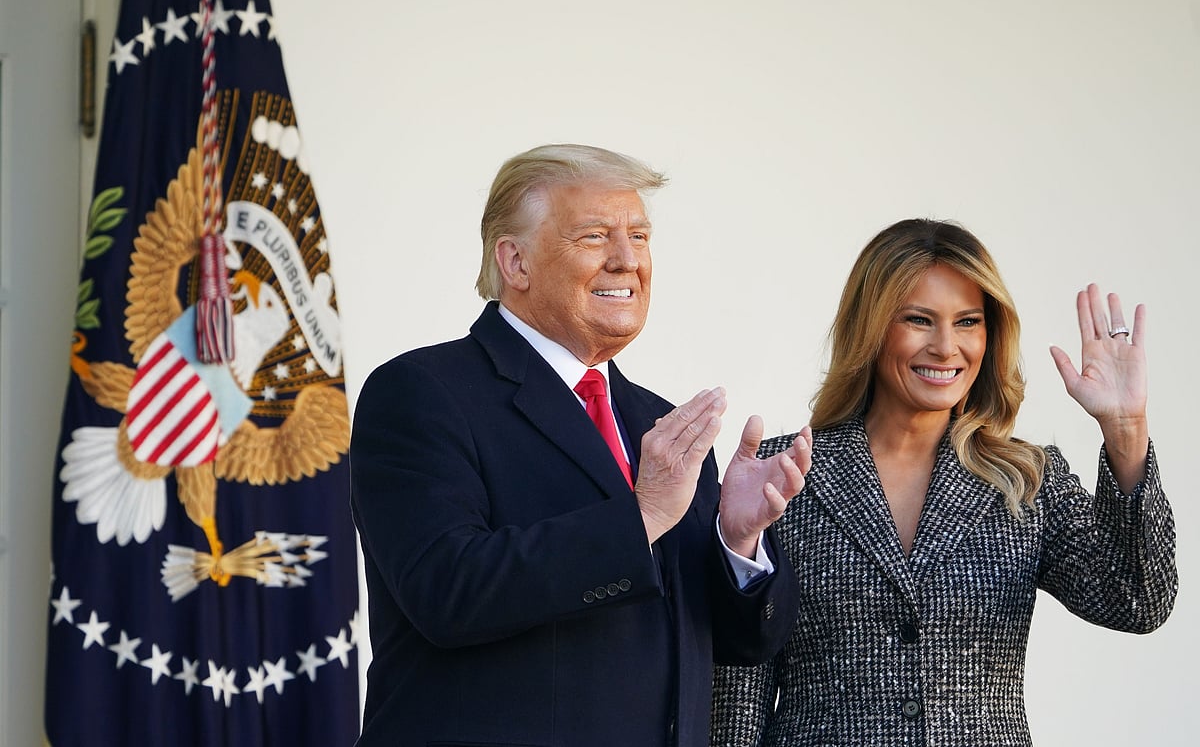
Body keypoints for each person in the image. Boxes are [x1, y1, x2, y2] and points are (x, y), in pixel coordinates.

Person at [350, 143, 813, 747]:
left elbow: (736, 644)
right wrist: (641, 516)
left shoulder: (661, 425)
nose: (627, 261)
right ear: (515, 262)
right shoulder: (421, 392)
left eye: (640, 237)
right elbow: (448, 593)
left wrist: (736, 540)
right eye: (595, 237)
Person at [710, 218, 1177, 747]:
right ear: (871, 328)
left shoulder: (1026, 479)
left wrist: (1126, 431)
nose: (946, 346)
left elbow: (1137, 601)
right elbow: (737, 685)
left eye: (968, 322)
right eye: (919, 319)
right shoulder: (785, 472)